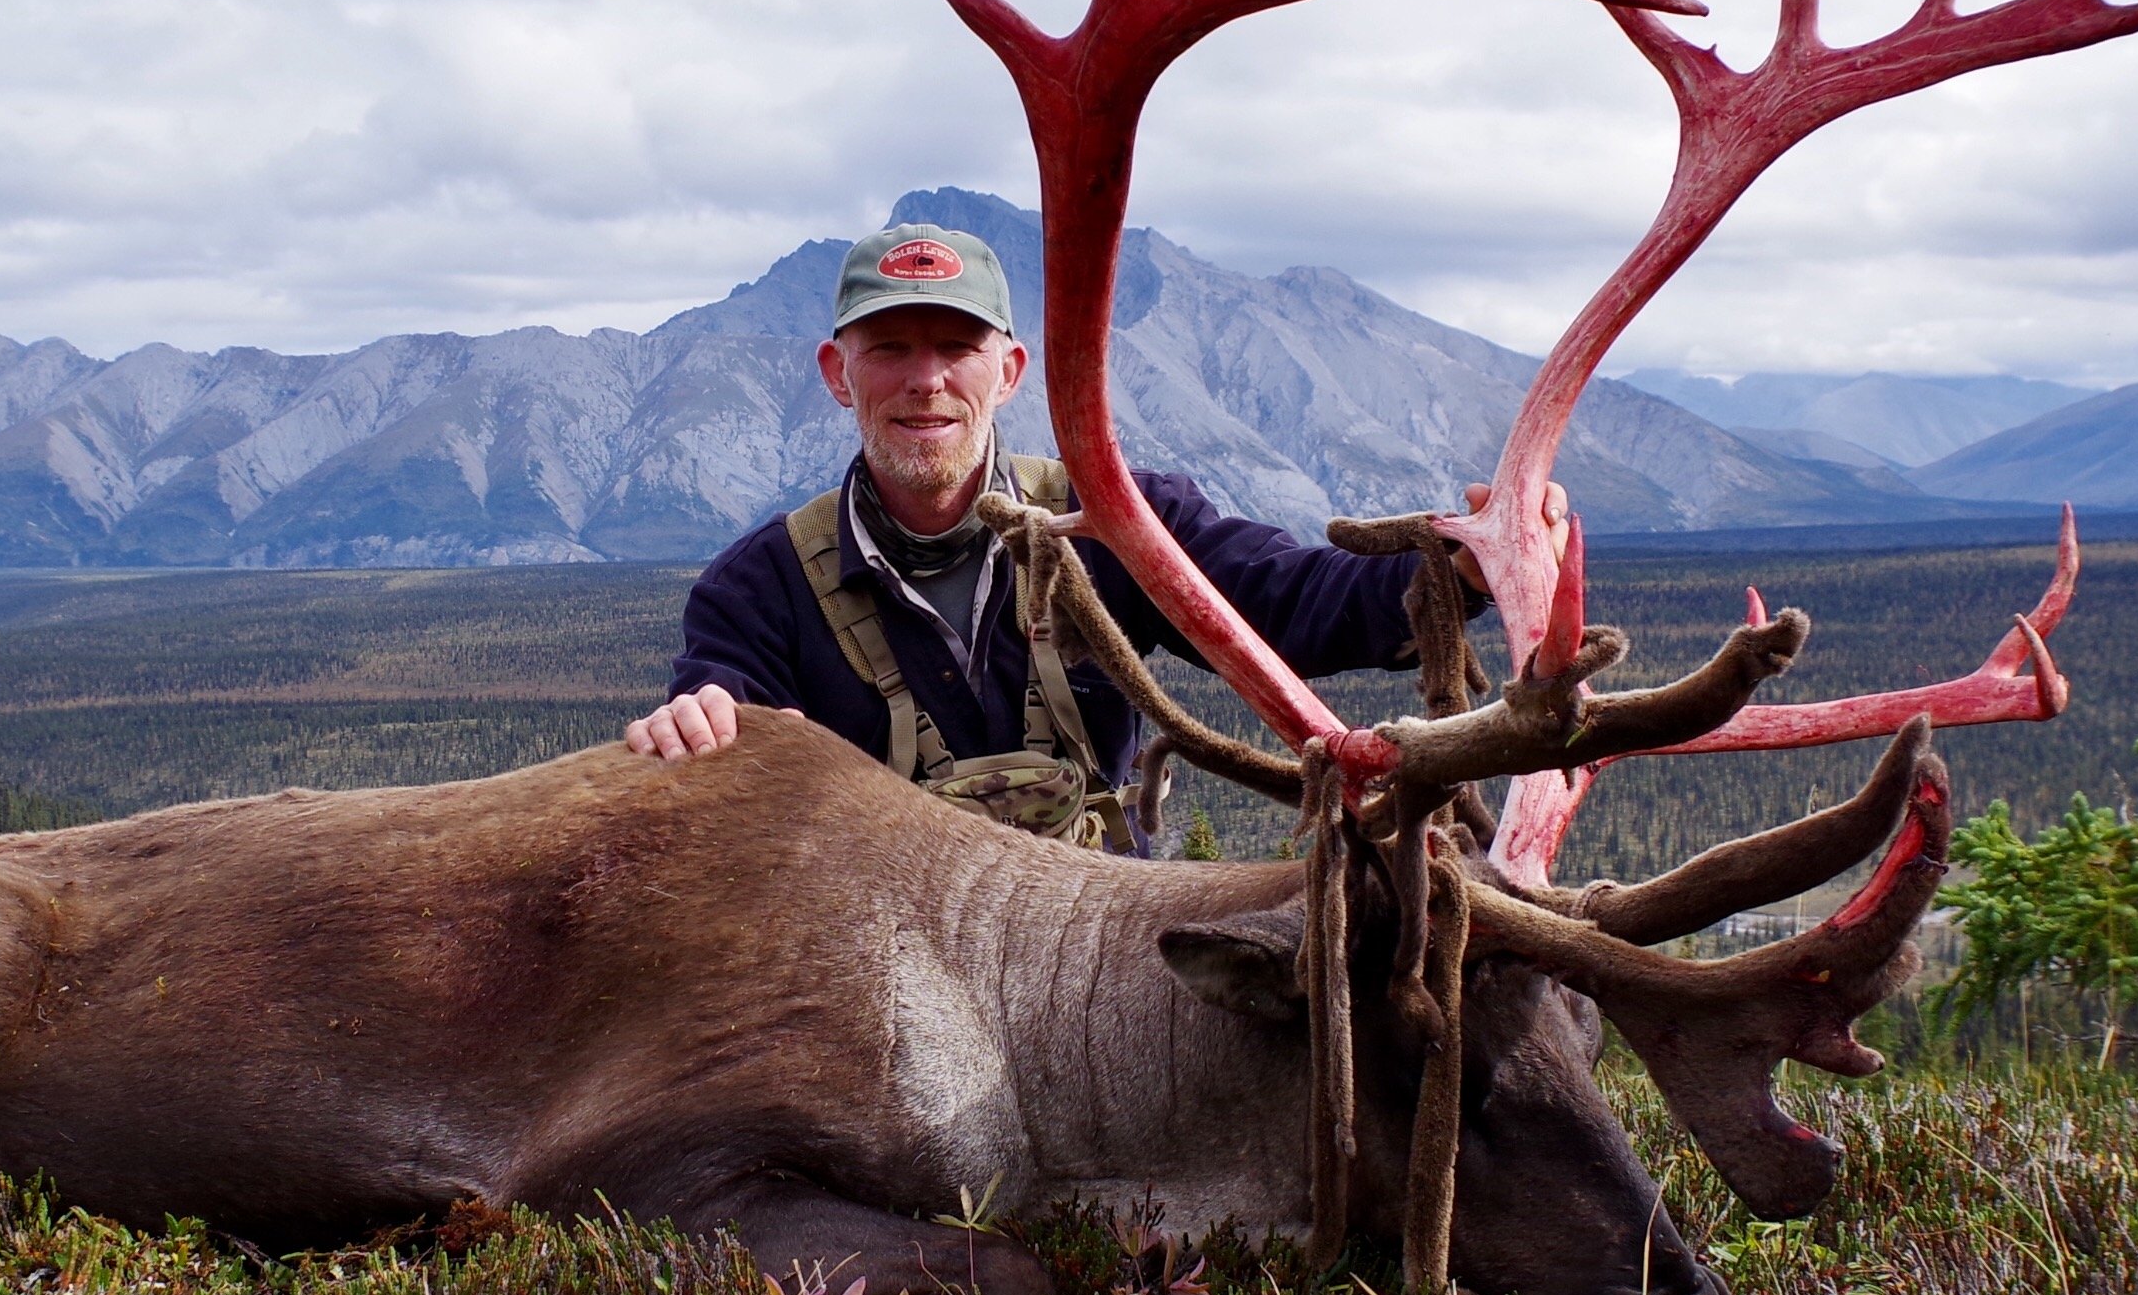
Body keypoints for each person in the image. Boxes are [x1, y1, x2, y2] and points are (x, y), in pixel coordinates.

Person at [624, 216, 1556, 846]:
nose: (926, 380)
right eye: (891, 349)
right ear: (838, 372)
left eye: (956, 348)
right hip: (883, 987)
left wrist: (1462, 568)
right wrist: (697, 724)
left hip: (1101, 967)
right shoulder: (760, 587)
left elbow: (1293, 604)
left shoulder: (1114, 524)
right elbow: (721, 709)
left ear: (1010, 369)